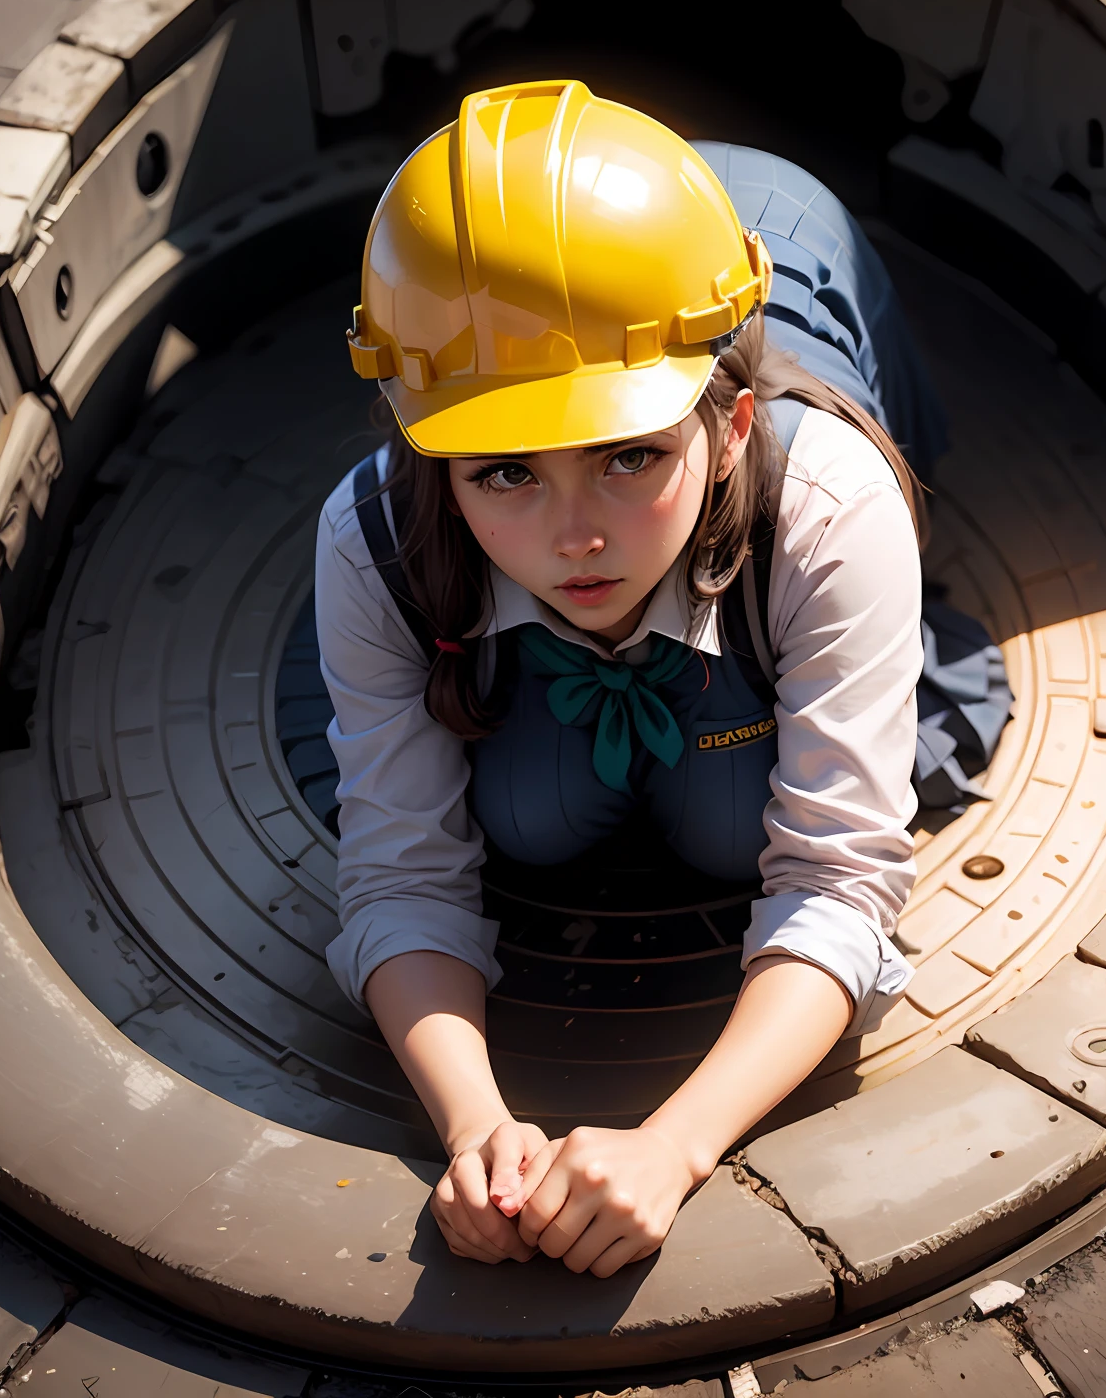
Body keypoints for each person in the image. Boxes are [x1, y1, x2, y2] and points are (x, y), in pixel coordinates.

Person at [314, 80, 1008, 1279]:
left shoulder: (828, 505)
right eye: (505, 475)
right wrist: (477, 1128)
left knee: (725, 827)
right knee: (531, 815)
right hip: (638, 278)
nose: (575, 538)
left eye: (630, 455)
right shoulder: (372, 537)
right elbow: (401, 871)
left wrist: (675, 1147)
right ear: (432, 456)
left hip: (780, 244)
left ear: (729, 428)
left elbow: (842, 879)